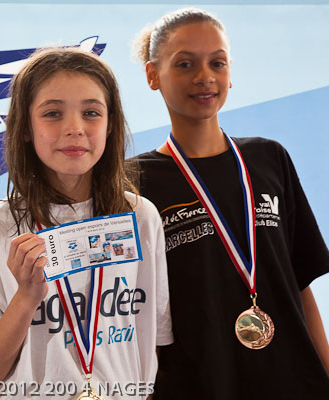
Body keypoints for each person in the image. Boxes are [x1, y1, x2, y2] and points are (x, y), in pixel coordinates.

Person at [132, 8, 329, 399]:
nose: (204, 76)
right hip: (197, 385)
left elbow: (300, 285)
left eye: (217, 63)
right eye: (185, 64)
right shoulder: (133, 183)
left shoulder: (269, 158)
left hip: (295, 383)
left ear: (230, 72)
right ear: (153, 75)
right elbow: (137, 313)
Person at [0, 47, 173, 400]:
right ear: (25, 128)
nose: (74, 129)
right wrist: (26, 297)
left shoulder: (140, 217)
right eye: (53, 113)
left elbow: (152, 341)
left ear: (110, 125)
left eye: (91, 113)